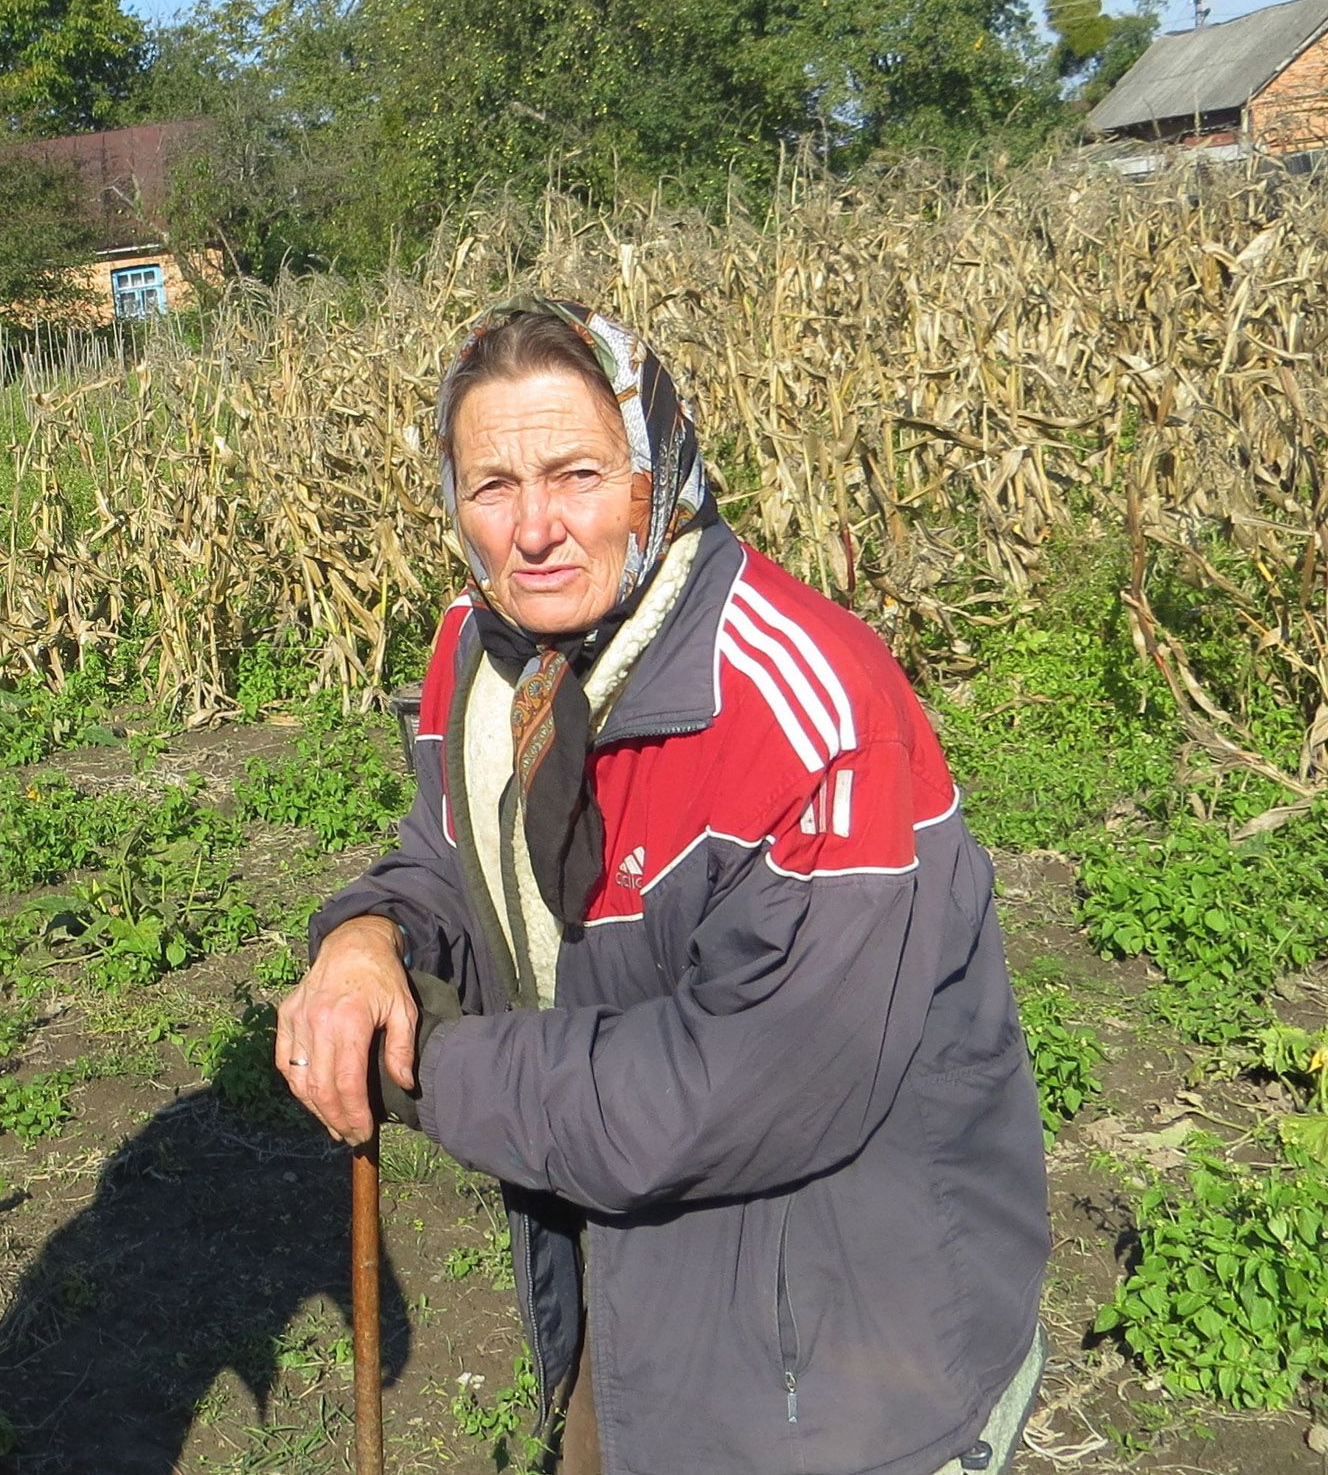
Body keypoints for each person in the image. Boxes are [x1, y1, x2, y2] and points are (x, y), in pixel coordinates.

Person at [276, 301, 1049, 1475]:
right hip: (636, 1290)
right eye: (492, 486)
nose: (534, 528)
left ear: (657, 477)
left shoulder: (809, 713)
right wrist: (367, 939)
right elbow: (453, 850)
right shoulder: (483, 655)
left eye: (578, 474)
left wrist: (422, 1061)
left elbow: (734, 1089)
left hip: (840, 1364)